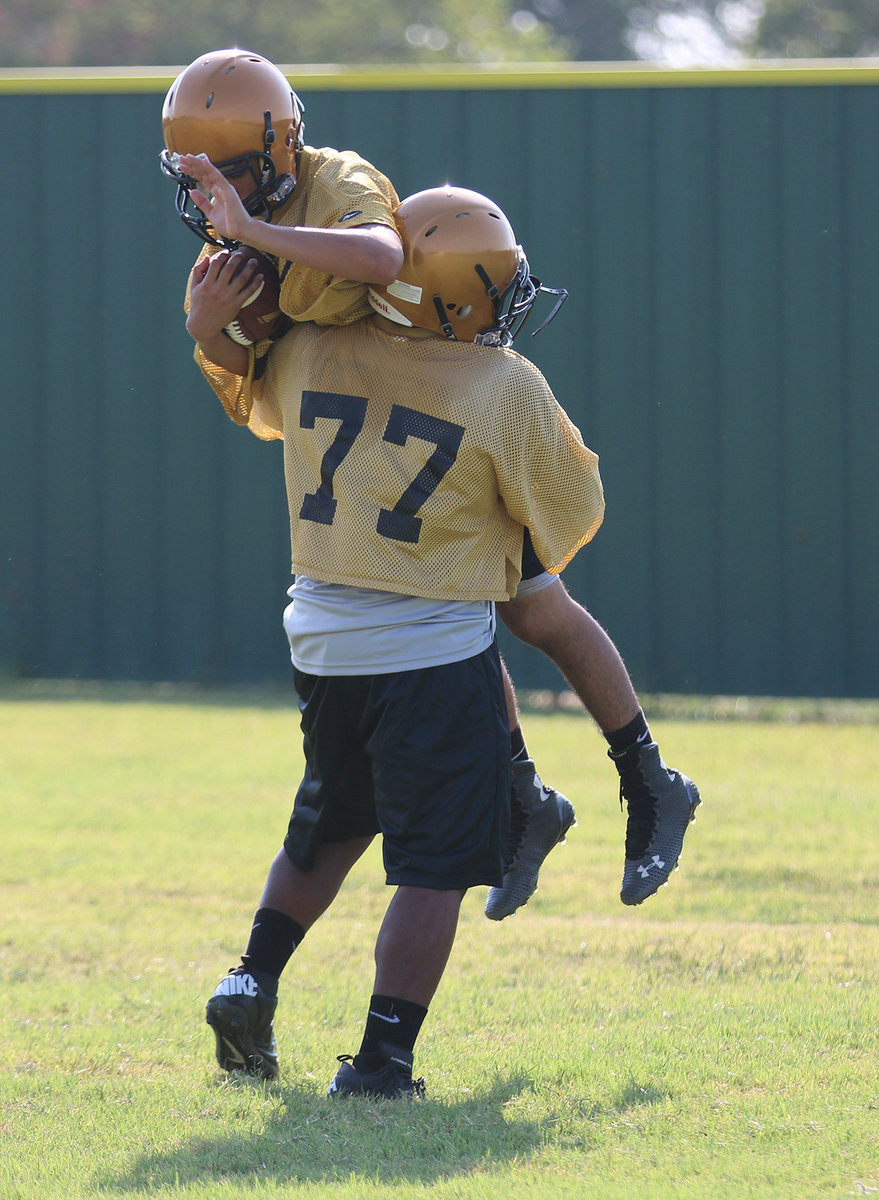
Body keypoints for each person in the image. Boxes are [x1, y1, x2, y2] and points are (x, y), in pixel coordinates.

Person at [161, 48, 701, 918]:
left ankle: (623, 780)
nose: (206, 193)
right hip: (369, 385)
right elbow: (256, 387)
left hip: (408, 383)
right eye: (193, 175)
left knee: (511, 605)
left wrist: (250, 241)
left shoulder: (335, 190)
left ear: (277, 147)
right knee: (489, 607)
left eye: (221, 172)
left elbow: (377, 259)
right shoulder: (255, 229)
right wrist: (209, 327)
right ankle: (566, 787)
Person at [184, 183, 605, 1096]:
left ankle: (249, 975)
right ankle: (382, 1061)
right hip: (429, 650)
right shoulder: (503, 384)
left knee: (326, 827)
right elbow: (571, 513)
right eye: (493, 283)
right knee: (434, 870)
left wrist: (212, 326)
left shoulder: (309, 351)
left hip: (322, 644)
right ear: (458, 296)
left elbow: (251, 399)